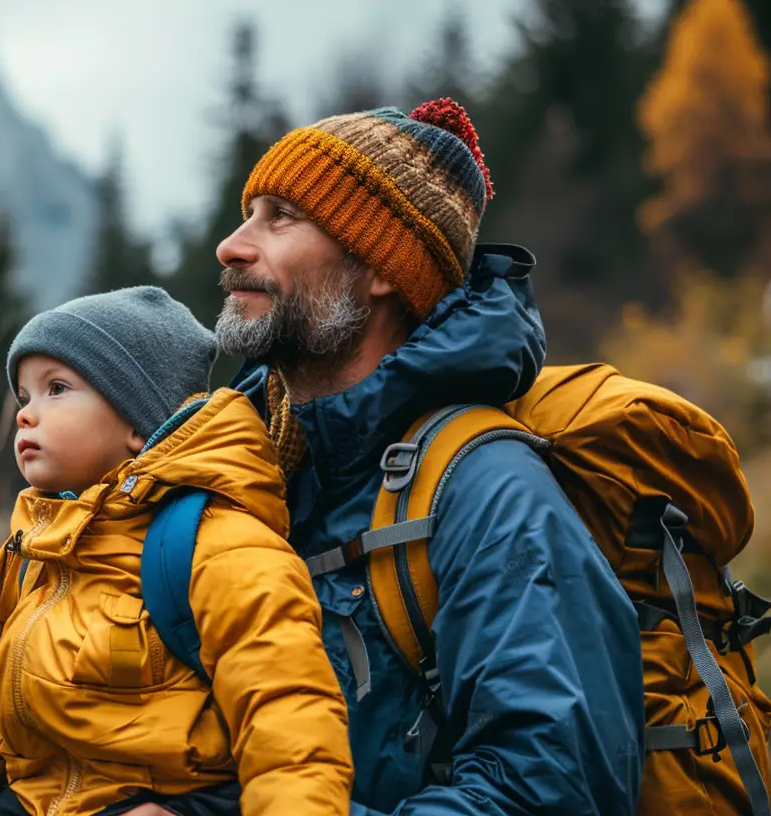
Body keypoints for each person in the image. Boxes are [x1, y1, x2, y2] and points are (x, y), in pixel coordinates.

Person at [212, 98, 647, 813]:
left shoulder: (489, 493)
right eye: (247, 212)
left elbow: (554, 793)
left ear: (382, 266)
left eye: (280, 215)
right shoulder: (245, 470)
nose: (232, 245)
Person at [0, 286, 353, 816]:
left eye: (56, 389)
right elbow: (12, 682)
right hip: (41, 799)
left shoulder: (220, 545)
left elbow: (287, 715)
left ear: (135, 421)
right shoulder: (55, 545)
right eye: (25, 397)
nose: (25, 415)